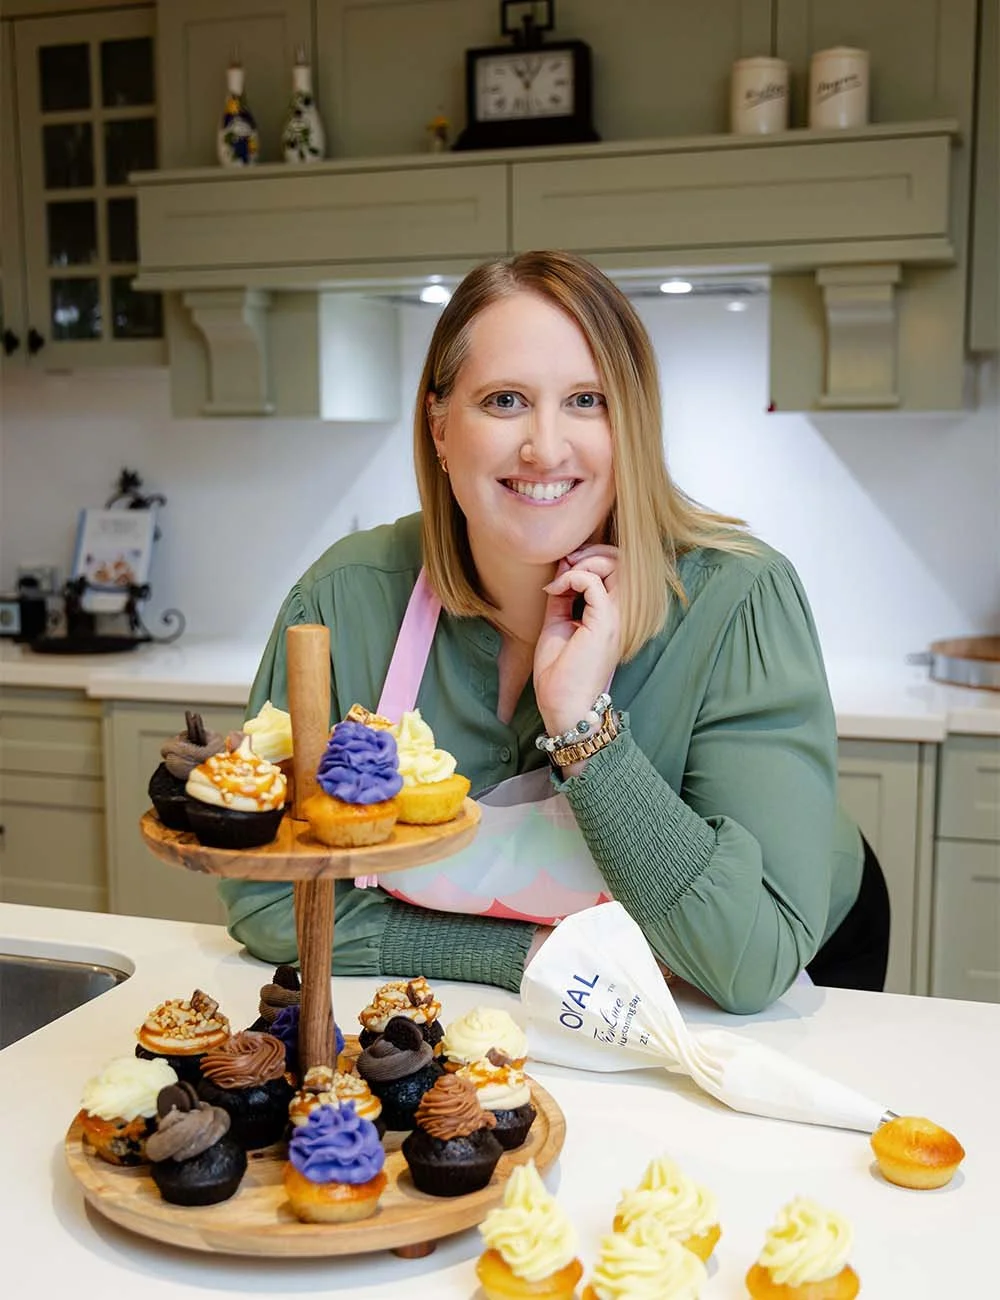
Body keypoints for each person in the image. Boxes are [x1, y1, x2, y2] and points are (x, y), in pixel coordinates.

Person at [220, 250, 890, 1015]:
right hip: (506, 1012)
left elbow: (748, 958)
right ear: (440, 426)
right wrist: (519, 956)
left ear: (631, 425)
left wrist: (583, 729)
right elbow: (266, 894)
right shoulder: (343, 602)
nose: (545, 446)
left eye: (586, 400)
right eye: (504, 400)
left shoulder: (738, 601)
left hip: (776, 977)